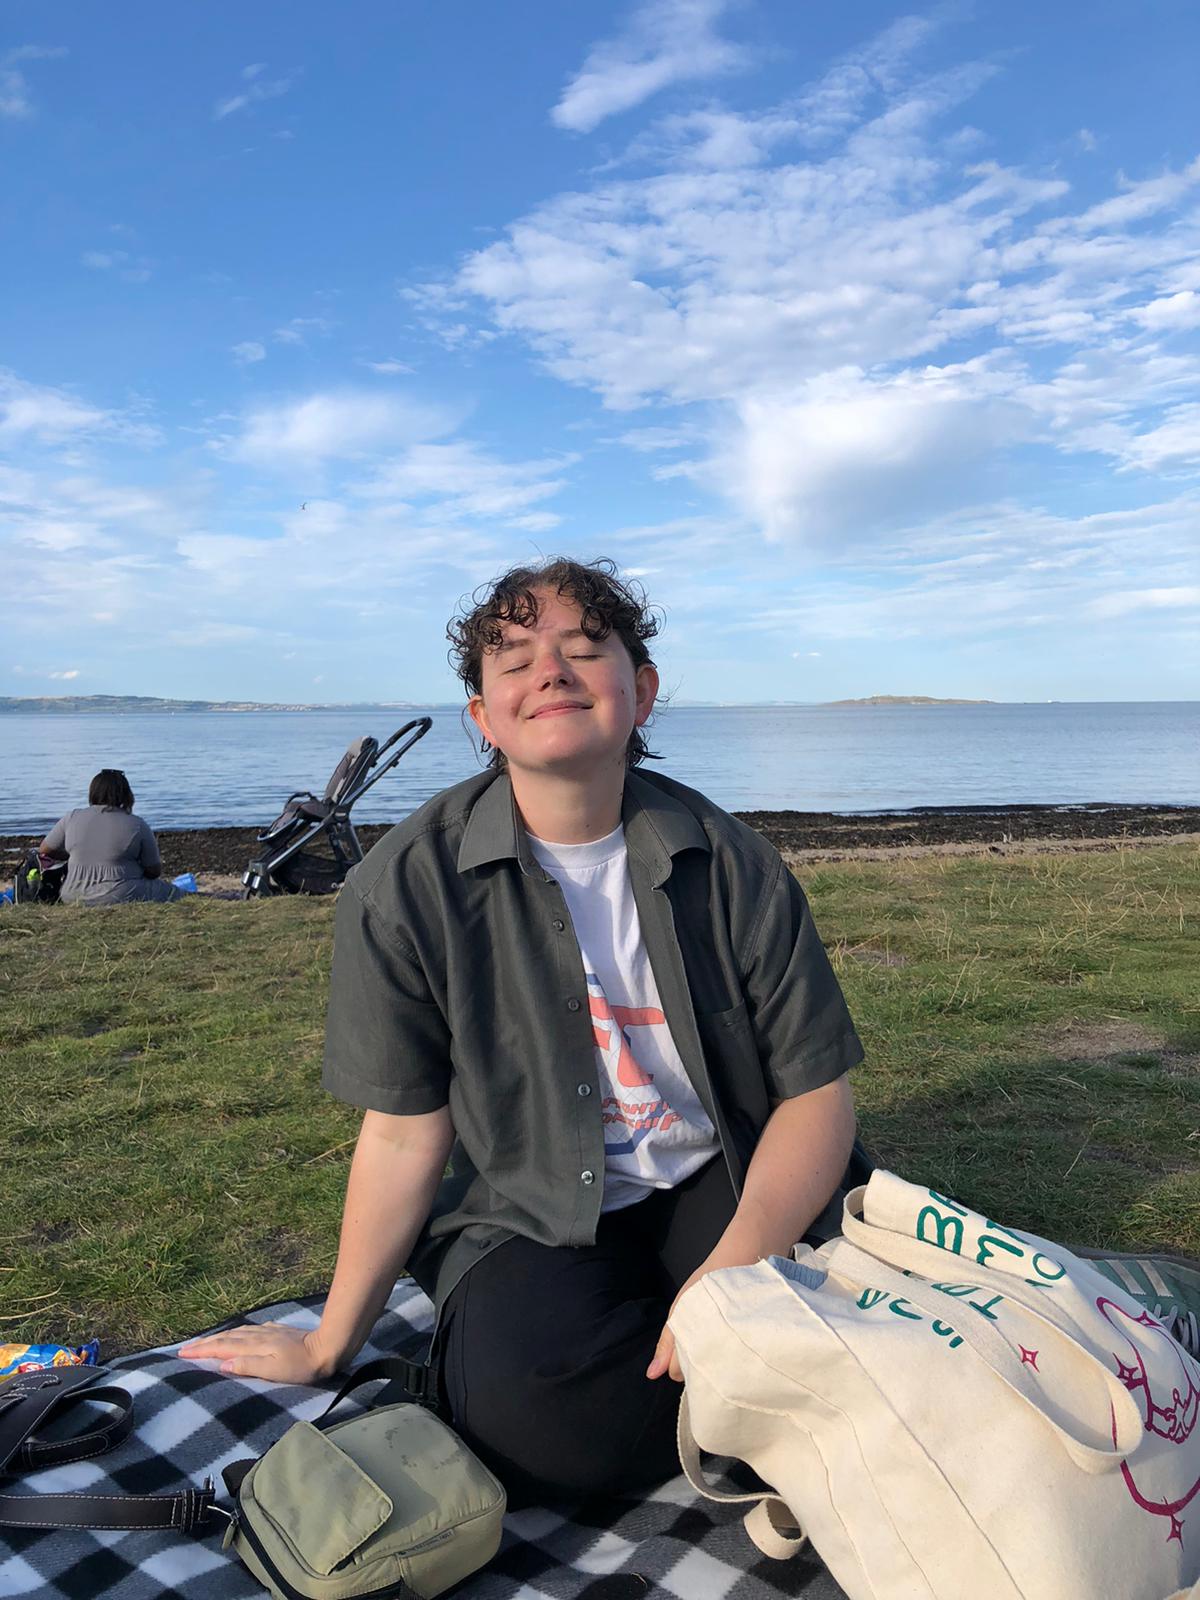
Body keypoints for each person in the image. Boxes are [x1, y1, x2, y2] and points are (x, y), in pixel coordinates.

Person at [181, 558, 867, 1502]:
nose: (550, 671)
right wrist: (329, 1342)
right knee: (545, 1427)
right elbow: (403, 1129)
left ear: (644, 692)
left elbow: (815, 1095)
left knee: (855, 1326)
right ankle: (742, 1401)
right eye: (514, 660)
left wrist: (729, 1280)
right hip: (532, 1206)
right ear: (482, 716)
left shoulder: (734, 865)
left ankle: (737, 1365)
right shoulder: (404, 888)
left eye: (584, 648)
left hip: (726, 1175)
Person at [40, 769, 182, 905]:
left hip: (71, 895)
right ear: (126, 794)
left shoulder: (72, 817)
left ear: (93, 792)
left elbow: (45, 849)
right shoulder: (137, 824)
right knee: (169, 891)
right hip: (118, 894)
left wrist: (72, 856)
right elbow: (154, 871)